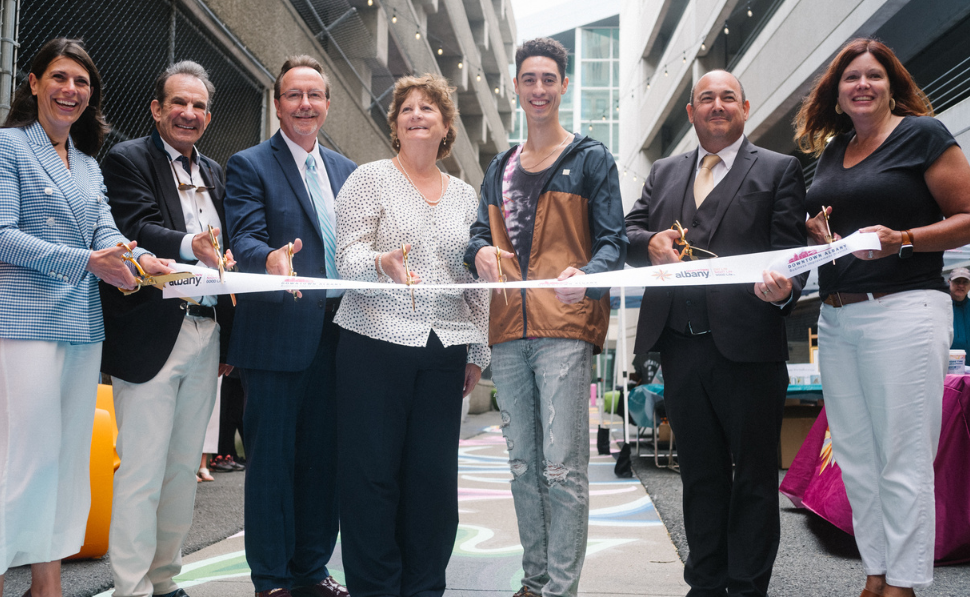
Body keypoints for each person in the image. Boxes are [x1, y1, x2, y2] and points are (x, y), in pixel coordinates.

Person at [0, 37, 173, 597]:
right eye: (59, 78)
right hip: (22, 323)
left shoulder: (87, 165)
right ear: (34, 83)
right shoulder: (4, 145)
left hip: (82, 325)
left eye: (81, 82)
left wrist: (138, 258)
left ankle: (49, 582)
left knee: (64, 464)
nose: (70, 90)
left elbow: (104, 230)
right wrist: (90, 260)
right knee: (20, 462)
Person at [794, 38, 970, 597]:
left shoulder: (922, 135)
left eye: (873, 76)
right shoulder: (834, 151)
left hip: (904, 311)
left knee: (902, 456)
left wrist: (902, 239)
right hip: (837, 318)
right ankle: (876, 573)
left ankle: (904, 583)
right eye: (850, 77)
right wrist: (821, 238)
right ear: (836, 93)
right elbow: (841, 230)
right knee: (855, 457)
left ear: (891, 83)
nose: (862, 85)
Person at [624, 68, 807, 597]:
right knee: (699, 477)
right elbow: (631, 234)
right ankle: (704, 584)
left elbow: (792, 255)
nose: (718, 105)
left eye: (729, 97)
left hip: (749, 350)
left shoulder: (779, 170)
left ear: (745, 108)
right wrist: (650, 245)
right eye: (706, 98)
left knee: (752, 478)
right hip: (680, 350)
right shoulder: (663, 171)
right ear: (692, 113)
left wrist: (785, 290)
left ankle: (748, 588)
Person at [464, 37, 626, 597]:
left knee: (562, 469)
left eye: (548, 79)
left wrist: (589, 273)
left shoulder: (591, 159)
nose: (538, 89)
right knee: (522, 468)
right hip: (508, 330)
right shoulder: (500, 167)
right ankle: (534, 584)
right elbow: (479, 236)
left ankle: (560, 589)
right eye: (529, 79)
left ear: (564, 85)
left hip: (564, 327)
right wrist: (478, 251)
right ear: (516, 86)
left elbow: (614, 243)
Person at [334, 73, 489, 597]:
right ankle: (376, 589)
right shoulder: (369, 178)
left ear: (446, 126)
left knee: (433, 482)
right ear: (395, 123)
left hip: (446, 348)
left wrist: (478, 350)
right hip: (373, 339)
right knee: (371, 476)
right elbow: (345, 257)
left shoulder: (467, 195)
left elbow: (472, 278)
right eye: (407, 108)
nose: (417, 114)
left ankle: (424, 588)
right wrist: (380, 263)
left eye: (429, 108)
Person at [97, 60, 234, 597]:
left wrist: (231, 336)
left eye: (199, 105)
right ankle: (129, 589)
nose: (189, 113)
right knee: (141, 473)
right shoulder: (128, 159)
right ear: (157, 109)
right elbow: (133, 224)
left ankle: (164, 580)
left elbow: (227, 255)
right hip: (152, 334)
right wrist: (188, 246)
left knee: (181, 470)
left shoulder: (216, 172)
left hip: (207, 332)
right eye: (178, 102)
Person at [224, 55, 356, 597]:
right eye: (294, 95)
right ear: (278, 104)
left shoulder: (349, 171)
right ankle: (272, 579)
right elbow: (246, 236)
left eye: (315, 95)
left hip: (340, 334)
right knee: (273, 465)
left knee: (324, 463)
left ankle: (312, 570)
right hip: (277, 334)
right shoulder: (249, 164)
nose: (306, 104)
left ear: (327, 104)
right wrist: (272, 259)